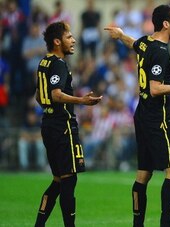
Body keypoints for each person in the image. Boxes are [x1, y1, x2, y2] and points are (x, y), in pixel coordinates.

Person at [104, 4, 170, 227]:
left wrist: (121, 35)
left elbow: (134, 44)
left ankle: (138, 224)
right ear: (166, 24)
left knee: (143, 174)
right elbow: (155, 88)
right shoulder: (162, 52)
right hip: (157, 118)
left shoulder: (146, 41)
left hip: (142, 113)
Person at [34, 21, 102, 227]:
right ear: (57, 42)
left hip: (48, 123)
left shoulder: (43, 63)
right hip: (62, 126)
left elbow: (39, 96)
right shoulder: (58, 63)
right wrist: (82, 101)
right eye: (69, 37)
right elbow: (55, 94)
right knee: (69, 179)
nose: (73, 41)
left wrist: (50, 109)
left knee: (58, 180)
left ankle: (39, 224)